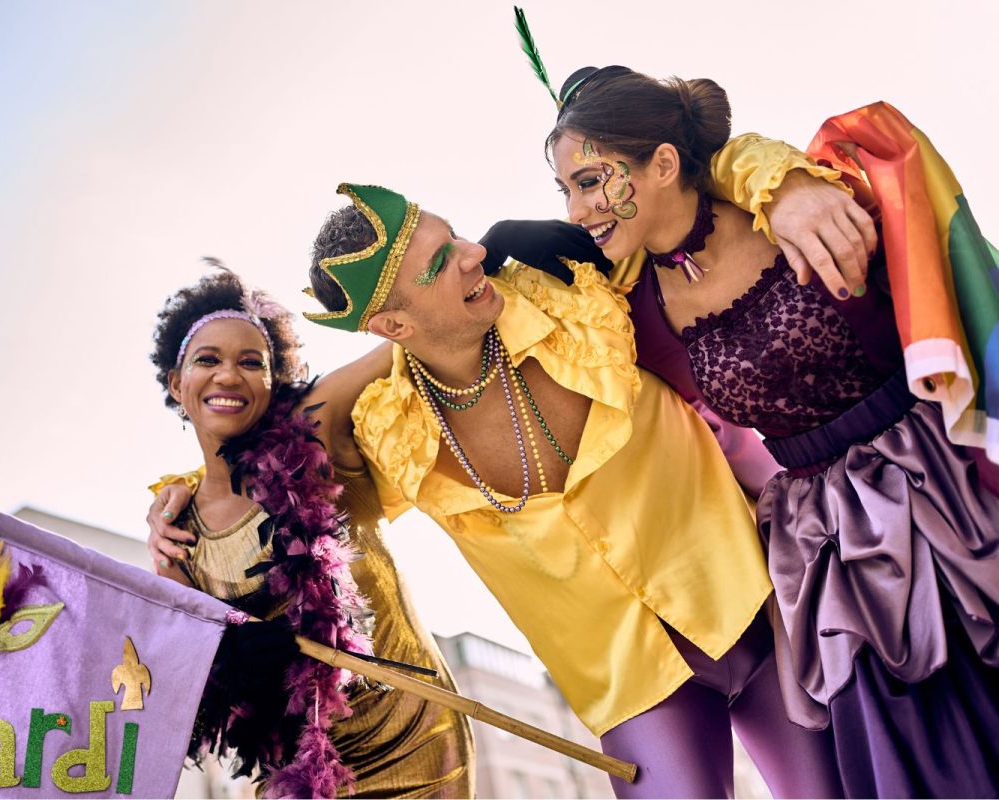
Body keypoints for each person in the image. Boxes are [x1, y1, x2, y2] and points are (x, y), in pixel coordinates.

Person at [291, 181, 847, 799]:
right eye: (440, 262)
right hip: (632, 690)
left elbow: (681, 192)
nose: (475, 252)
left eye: (454, 236)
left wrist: (789, 186)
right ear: (390, 322)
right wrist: (401, 352)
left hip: (756, 606)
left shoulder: (570, 289)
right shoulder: (393, 428)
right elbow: (280, 438)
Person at [532, 65, 999, 797]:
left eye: (591, 180)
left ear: (662, 163)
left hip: (946, 493)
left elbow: (908, 204)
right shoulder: (632, 316)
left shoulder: (800, 199)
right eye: (565, 189)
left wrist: (775, 176)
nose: (578, 207)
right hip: (826, 551)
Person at [146, 266, 474, 798]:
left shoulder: (314, 436)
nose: (229, 376)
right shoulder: (177, 531)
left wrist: (475, 262)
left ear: (273, 382)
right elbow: (199, 681)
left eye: (251, 362)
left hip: (414, 739)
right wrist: (236, 658)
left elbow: (405, 342)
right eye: (208, 359)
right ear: (176, 383)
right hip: (298, 772)